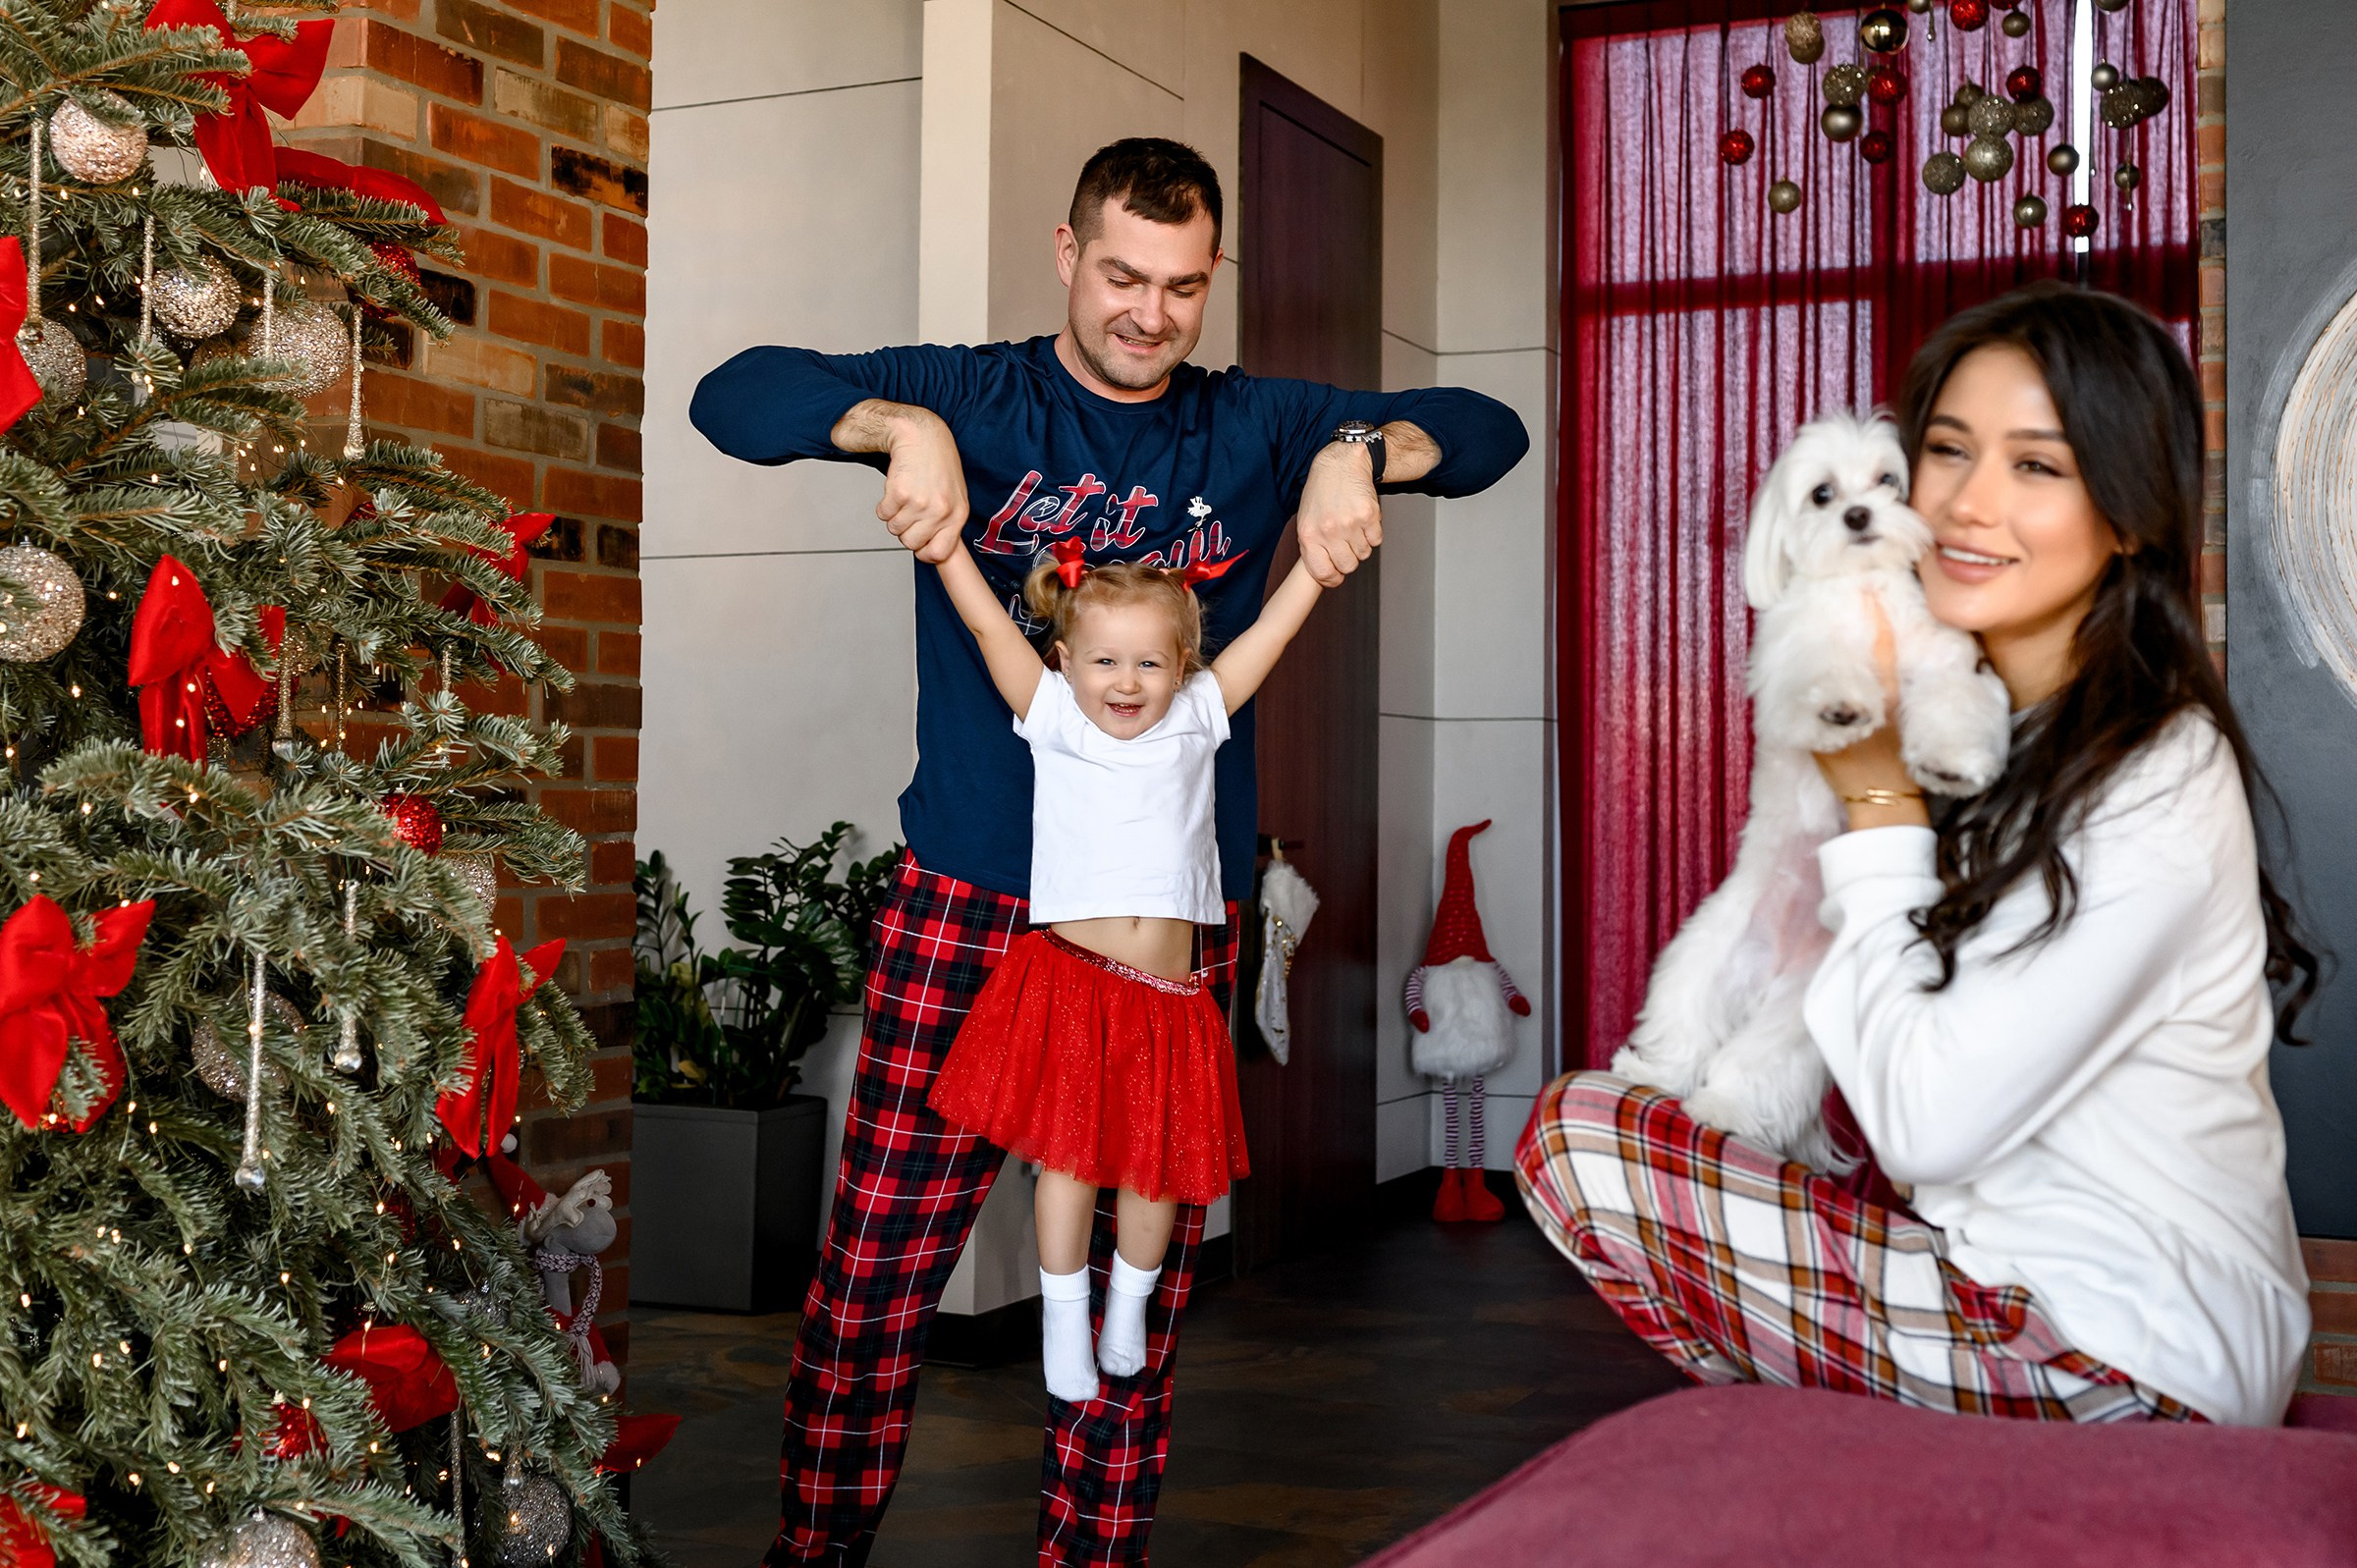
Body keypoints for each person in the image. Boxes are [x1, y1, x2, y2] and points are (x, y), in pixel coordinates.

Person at [690, 136, 1527, 1563]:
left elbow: (1487, 425)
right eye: (1123, 274)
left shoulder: (1257, 423)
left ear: (1213, 285)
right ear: (1067, 253)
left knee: (1131, 1296)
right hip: (968, 905)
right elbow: (736, 393)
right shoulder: (974, 391)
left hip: (1154, 935)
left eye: (1183, 287)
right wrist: (892, 427)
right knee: (876, 1275)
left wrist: (1356, 453)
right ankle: (811, 1551)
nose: (1149, 312)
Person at [1516, 282, 2317, 1428]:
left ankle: (1880, 1464)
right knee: (1606, 1117)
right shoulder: (2013, 733)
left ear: (2131, 512)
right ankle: (1873, 1466)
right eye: (1947, 452)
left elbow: (1926, 1124)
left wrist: (1879, 798)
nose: (1968, 503)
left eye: (2037, 466)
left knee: (1576, 1141)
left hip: (2124, 1357)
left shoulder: (2153, 767)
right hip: (2009, 1285)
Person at [927, 539, 1327, 1402]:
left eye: (1149, 662)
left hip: (1171, 999)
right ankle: (1064, 1307)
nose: (1126, 681)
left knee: (1159, 1169)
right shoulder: (1055, 717)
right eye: (1105, 660)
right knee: (1070, 1160)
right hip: (1075, 980)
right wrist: (946, 550)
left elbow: (1271, 635)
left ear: (1182, 665)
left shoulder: (1197, 713)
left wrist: (1315, 570)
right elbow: (991, 629)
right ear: (1066, 662)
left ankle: (1126, 1305)